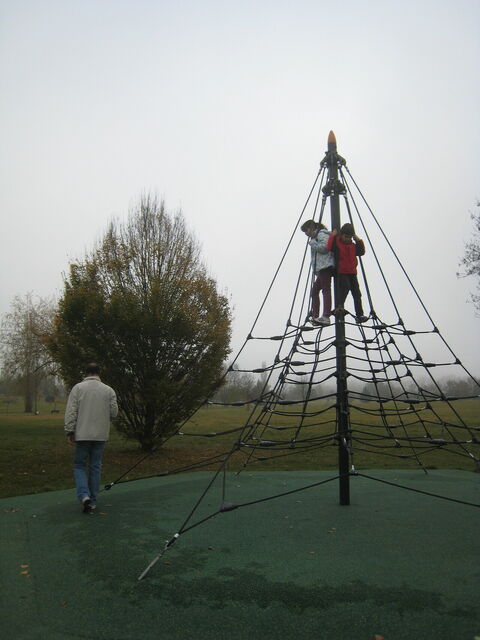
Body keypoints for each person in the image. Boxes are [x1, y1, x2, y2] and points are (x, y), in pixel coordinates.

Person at [64, 363, 118, 513]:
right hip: (100, 435)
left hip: (82, 434)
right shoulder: (108, 390)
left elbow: (71, 412)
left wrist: (70, 431)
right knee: (95, 466)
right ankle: (93, 501)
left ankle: (84, 495)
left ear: (86, 373)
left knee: (79, 466)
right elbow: (114, 413)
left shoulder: (78, 388)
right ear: (99, 373)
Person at [327, 222, 368, 323]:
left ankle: (359, 314)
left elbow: (361, 251)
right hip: (341, 271)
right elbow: (330, 247)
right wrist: (332, 236)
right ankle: (339, 306)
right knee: (345, 287)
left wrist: (357, 239)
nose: (347, 239)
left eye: (350, 237)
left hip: (352, 272)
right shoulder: (338, 243)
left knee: (357, 293)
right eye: (346, 236)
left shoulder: (353, 246)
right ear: (342, 235)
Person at [301, 219, 334, 326]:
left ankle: (326, 315)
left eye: (306, 230)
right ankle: (315, 315)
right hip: (322, 267)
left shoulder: (321, 234)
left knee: (325, 289)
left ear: (311, 228)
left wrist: (313, 243)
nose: (306, 234)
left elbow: (325, 248)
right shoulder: (316, 236)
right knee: (315, 291)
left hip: (326, 265)